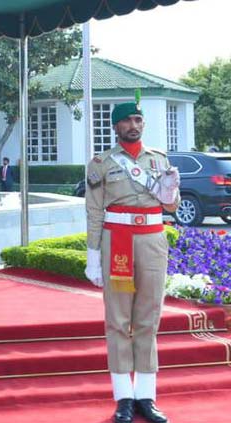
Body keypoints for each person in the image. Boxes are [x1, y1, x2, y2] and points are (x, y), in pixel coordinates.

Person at [84, 100, 180, 423]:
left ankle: (146, 397)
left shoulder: (159, 160)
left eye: (138, 119)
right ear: (115, 127)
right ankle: (124, 396)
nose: (133, 125)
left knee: (148, 319)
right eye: (126, 120)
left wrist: (170, 190)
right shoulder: (101, 164)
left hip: (153, 240)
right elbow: (95, 211)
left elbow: (170, 207)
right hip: (119, 241)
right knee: (118, 319)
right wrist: (93, 255)